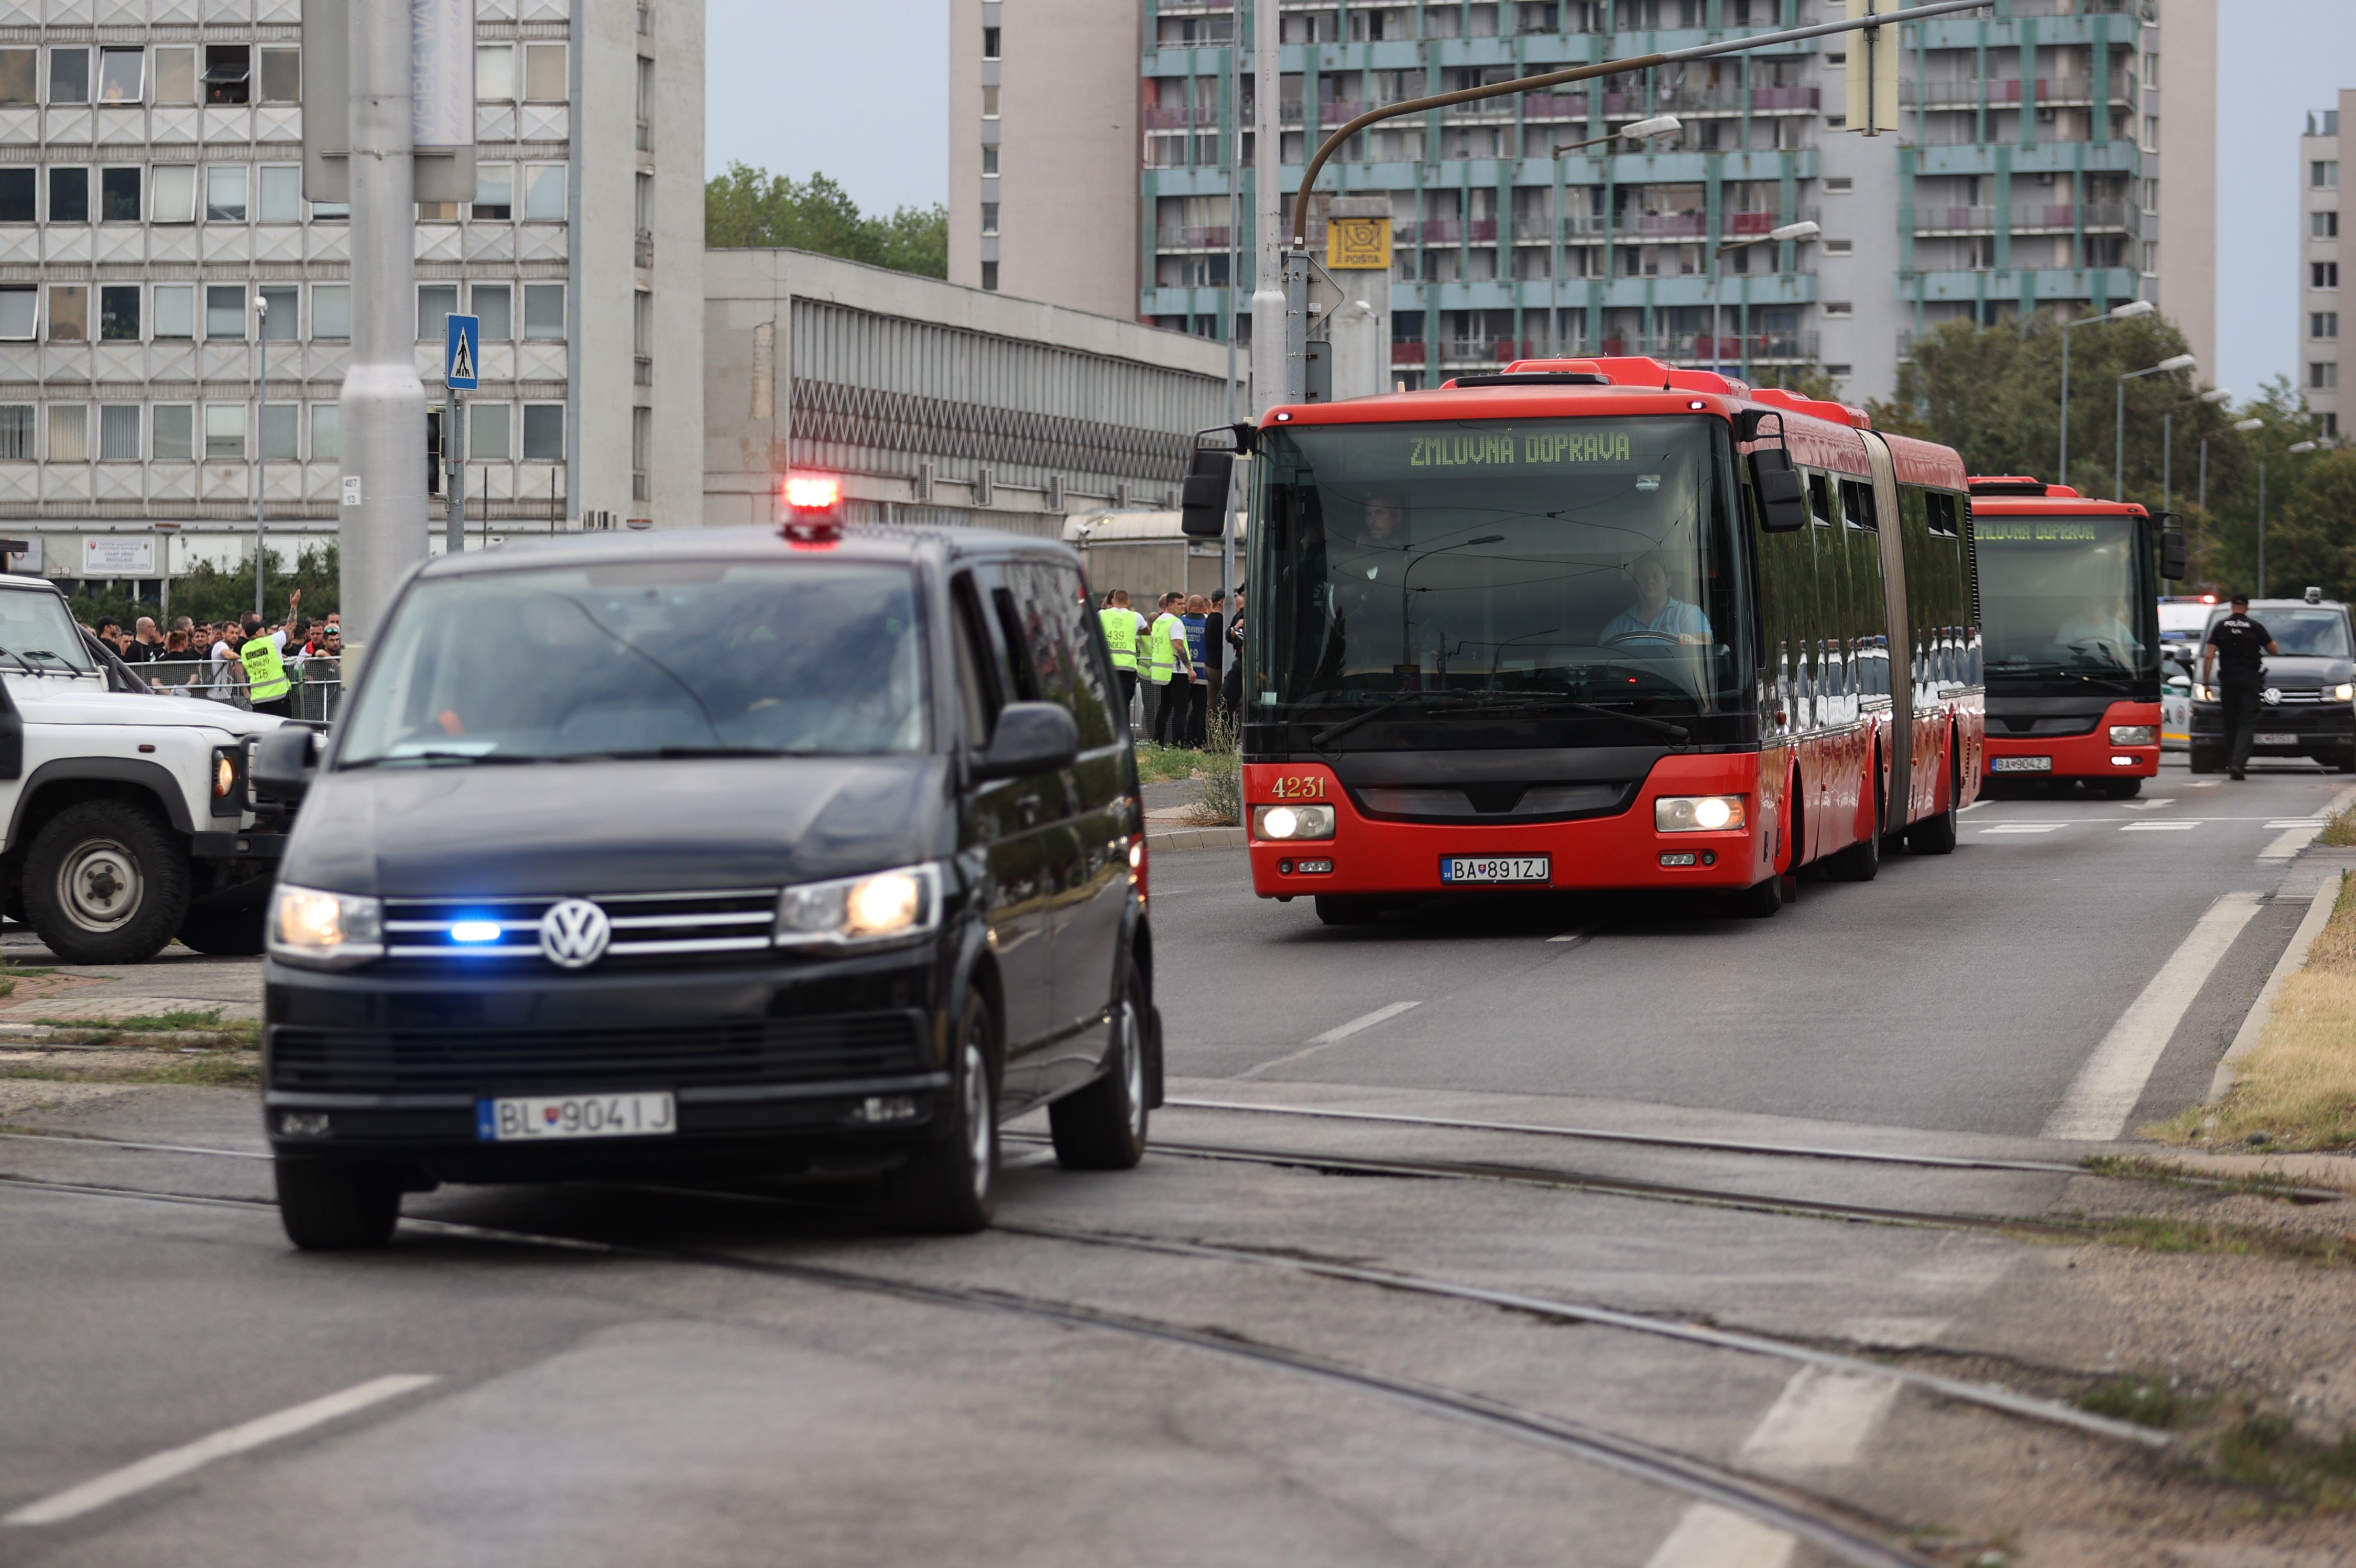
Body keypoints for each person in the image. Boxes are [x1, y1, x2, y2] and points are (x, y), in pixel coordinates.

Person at [2202, 594, 2279, 780]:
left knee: (2230, 721)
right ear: (2246, 607)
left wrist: (2205, 683)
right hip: (2249, 680)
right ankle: (2238, 763)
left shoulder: (2221, 626)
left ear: (2231, 607)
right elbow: (2273, 650)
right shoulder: (2255, 627)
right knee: (2247, 721)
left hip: (2228, 680)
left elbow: (2209, 656)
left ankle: (2231, 761)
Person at [1600, 552, 1713, 646]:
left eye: (1656, 576)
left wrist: (1691, 643)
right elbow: (1601, 660)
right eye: (1643, 577)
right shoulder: (1618, 626)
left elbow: (1706, 647)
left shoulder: (1687, 614)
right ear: (1635, 584)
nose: (1650, 582)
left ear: (1668, 581)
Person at [1148, 591, 1194, 746]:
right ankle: (1178, 743)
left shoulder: (1159, 621)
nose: (1184, 607)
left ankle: (1158, 741)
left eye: (1184, 603)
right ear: (1170, 605)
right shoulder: (1175, 623)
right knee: (1181, 708)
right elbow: (1178, 645)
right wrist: (1190, 668)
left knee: (1165, 707)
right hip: (1177, 670)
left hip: (1163, 671)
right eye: (1180, 604)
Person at [1098, 589, 1140, 722]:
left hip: (1107, 667)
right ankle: (1124, 734)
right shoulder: (1136, 617)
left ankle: (1108, 735)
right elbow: (1146, 631)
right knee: (1124, 704)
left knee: (1107, 703)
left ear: (1112, 601)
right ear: (1128, 602)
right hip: (1127, 667)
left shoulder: (1101, 615)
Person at [1180, 594, 1212, 746]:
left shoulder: (1181, 622)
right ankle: (1200, 739)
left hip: (1184, 672)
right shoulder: (1207, 623)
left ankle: (1185, 738)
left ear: (1189, 607)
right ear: (1204, 608)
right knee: (1200, 708)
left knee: (1183, 708)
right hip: (1203, 673)